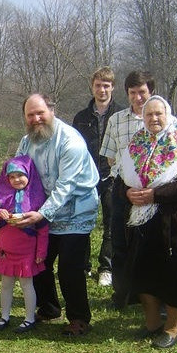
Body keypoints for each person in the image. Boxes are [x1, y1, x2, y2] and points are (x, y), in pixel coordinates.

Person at [0, 93, 99, 336]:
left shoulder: (70, 142)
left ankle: (79, 318)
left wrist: (41, 214)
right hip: (41, 210)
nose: (36, 119)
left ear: (52, 111)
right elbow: (10, 175)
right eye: (30, 115)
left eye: (40, 113)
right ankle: (48, 307)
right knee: (39, 260)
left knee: (69, 266)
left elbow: (65, 186)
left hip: (75, 211)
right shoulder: (27, 142)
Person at [120, 95, 177, 348]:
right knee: (144, 273)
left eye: (159, 114)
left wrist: (156, 194)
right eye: (149, 114)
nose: (154, 118)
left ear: (168, 115)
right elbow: (119, 182)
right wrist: (127, 193)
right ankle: (152, 324)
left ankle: (172, 328)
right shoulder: (135, 145)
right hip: (144, 225)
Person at [99, 70, 154, 309]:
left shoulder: (159, 117)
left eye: (142, 92)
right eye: (133, 93)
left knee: (149, 247)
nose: (138, 98)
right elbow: (110, 157)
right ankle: (121, 295)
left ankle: (149, 296)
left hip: (152, 193)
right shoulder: (116, 119)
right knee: (120, 244)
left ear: (151, 92)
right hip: (121, 191)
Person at [72, 66, 124, 286]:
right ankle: (83, 266)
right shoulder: (81, 117)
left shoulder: (121, 115)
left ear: (112, 87)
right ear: (92, 87)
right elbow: (74, 148)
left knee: (111, 221)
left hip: (111, 175)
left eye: (106, 85)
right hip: (86, 177)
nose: (101, 90)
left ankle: (106, 267)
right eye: (98, 85)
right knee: (84, 220)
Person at [0, 155, 48, 333]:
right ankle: (4, 316)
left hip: (26, 251)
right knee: (6, 284)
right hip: (6, 250)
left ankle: (29, 318)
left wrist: (41, 253)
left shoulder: (36, 199)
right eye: (11, 177)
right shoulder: (3, 194)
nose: (16, 180)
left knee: (26, 284)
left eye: (20, 175)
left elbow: (43, 229)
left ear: (29, 175)